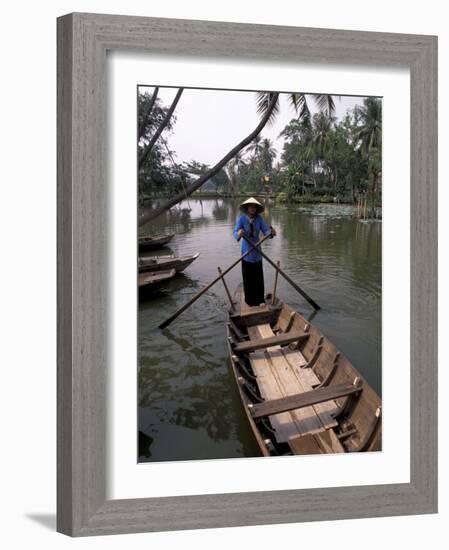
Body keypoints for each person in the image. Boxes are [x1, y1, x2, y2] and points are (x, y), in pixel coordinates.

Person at [233, 197, 276, 306]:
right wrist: (239, 233)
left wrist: (271, 233)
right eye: (250, 206)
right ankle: (250, 301)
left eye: (254, 206)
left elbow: (265, 230)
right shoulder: (242, 219)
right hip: (246, 253)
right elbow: (235, 232)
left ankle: (260, 300)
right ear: (247, 208)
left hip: (257, 252)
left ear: (256, 208)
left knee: (258, 278)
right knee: (248, 278)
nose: (252, 208)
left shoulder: (259, 219)